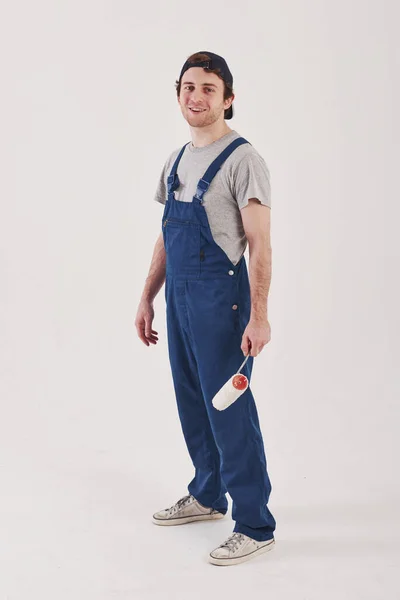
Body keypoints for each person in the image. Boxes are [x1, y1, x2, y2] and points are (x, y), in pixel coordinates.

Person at [135, 51, 276, 567]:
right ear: (179, 94)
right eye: (188, 87)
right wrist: (148, 296)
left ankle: (256, 523)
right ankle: (208, 494)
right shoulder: (175, 160)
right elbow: (167, 239)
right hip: (180, 299)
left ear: (228, 99)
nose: (196, 97)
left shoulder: (244, 161)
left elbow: (259, 244)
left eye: (208, 89)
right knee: (192, 400)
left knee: (228, 407)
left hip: (223, 297)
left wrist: (258, 315)